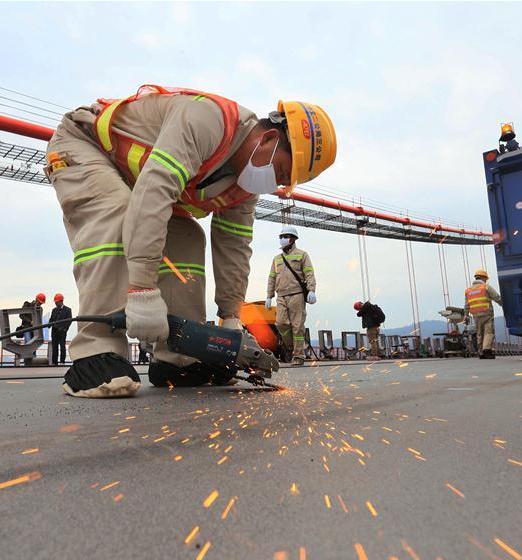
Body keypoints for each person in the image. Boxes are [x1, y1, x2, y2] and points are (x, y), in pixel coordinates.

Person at [46, 85, 336, 397]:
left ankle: (178, 358)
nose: (274, 183)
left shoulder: (244, 188)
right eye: (280, 170)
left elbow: (235, 247)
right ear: (268, 138)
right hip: (85, 146)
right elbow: (155, 190)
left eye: (282, 182)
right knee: (116, 213)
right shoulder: (207, 120)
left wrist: (231, 318)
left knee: (187, 236)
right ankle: (96, 351)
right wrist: (142, 289)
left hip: (138, 180)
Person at [266, 225, 317, 366]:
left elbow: (309, 273)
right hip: (281, 295)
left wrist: (311, 290)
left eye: (286, 237)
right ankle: (290, 346)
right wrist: (269, 295)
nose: (283, 239)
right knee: (281, 323)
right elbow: (271, 277)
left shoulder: (302, 255)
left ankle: (299, 355)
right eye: (281, 237)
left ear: (294, 239)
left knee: (297, 326)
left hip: (297, 295)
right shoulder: (277, 259)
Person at [464, 269, 503, 359]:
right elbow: (497, 297)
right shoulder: (486, 287)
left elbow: (466, 305)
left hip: (475, 315)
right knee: (488, 332)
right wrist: (503, 304)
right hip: (486, 313)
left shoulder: (468, 291)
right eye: (486, 279)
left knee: (479, 333)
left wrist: (466, 315)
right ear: (483, 278)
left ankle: (480, 352)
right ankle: (487, 350)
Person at [49, 293, 72, 365]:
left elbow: (69, 320)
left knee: (62, 346)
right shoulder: (54, 310)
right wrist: (49, 325)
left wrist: (64, 329)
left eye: (57, 302)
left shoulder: (68, 310)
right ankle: (54, 362)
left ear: (61, 301)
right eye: (55, 302)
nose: (55, 303)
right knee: (54, 346)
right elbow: (52, 319)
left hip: (62, 331)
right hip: (54, 331)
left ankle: (62, 361)